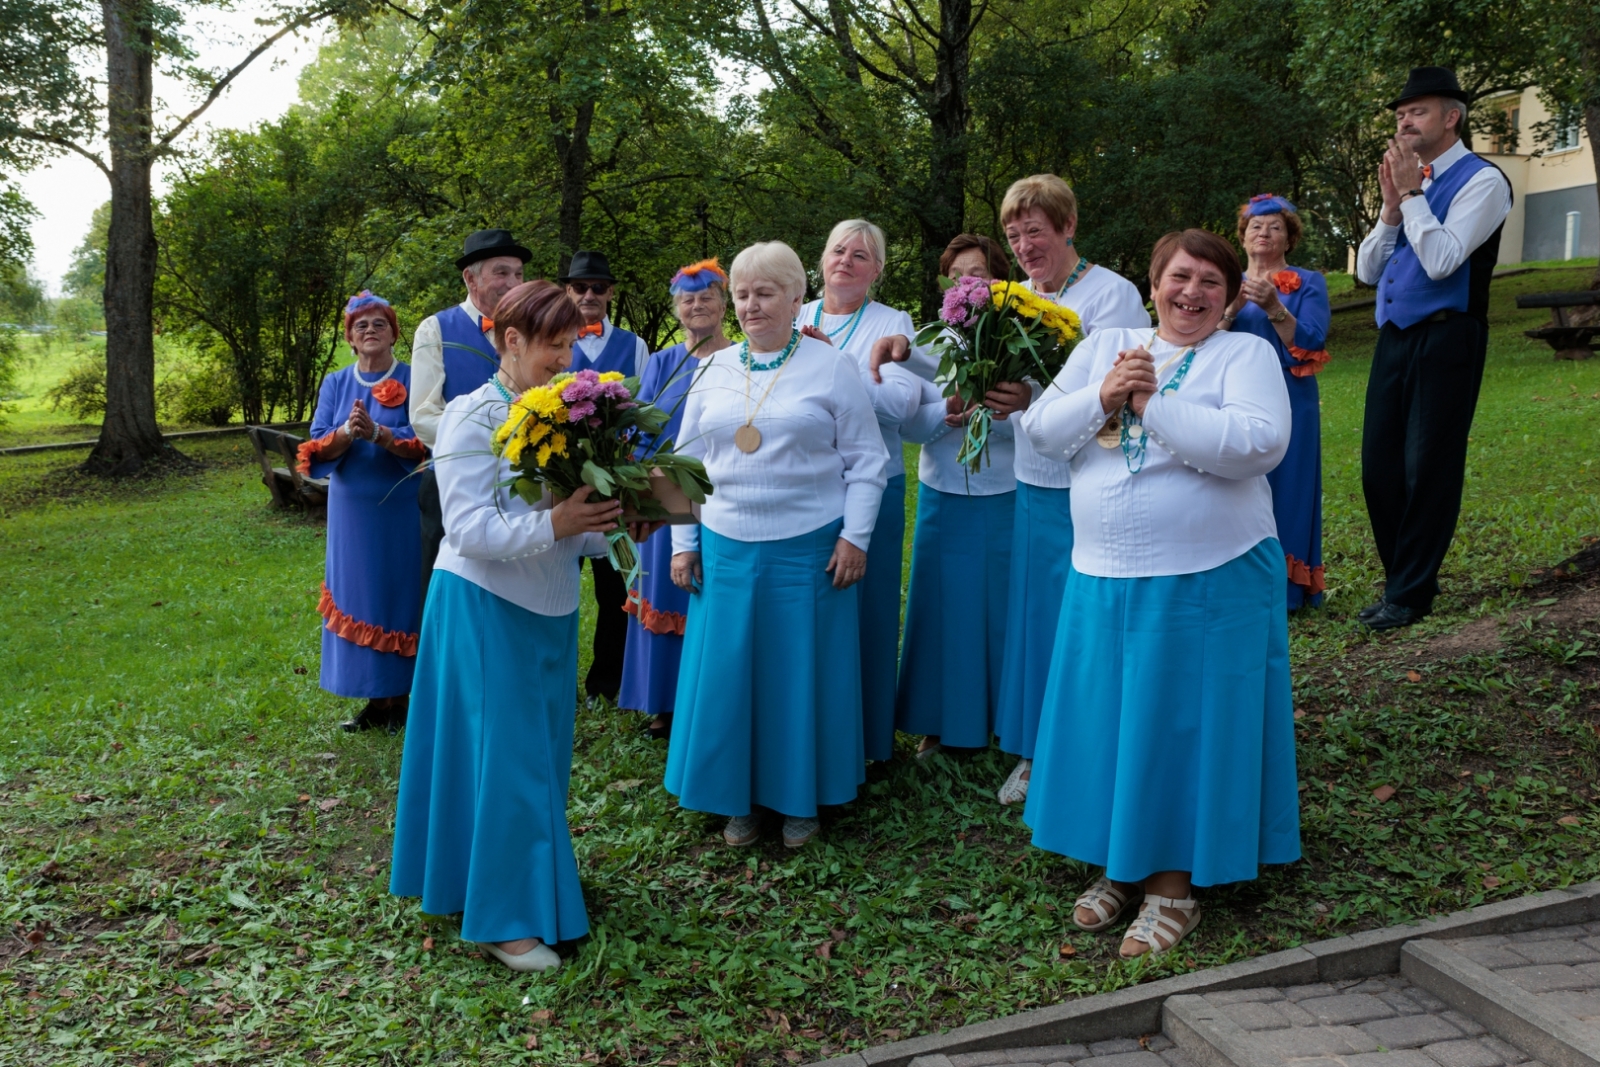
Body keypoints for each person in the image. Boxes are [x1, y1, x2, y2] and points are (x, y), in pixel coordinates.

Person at [1019, 229, 1299, 959]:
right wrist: (1104, 394)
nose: (1193, 292)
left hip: (1211, 575)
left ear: (1230, 295)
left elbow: (1258, 443)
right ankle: (1121, 865)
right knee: (1113, 725)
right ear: (1153, 283)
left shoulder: (1243, 352)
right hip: (1103, 573)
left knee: (1181, 727)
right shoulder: (1103, 345)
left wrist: (1149, 405)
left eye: (1213, 281)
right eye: (1181, 276)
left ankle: (1173, 888)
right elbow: (1044, 431)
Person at [390, 280, 659, 973]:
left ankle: (509, 881)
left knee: (537, 759)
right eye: (554, 345)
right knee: (504, 762)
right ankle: (501, 921)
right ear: (509, 341)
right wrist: (560, 521)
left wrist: (616, 522)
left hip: (549, 607)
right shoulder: (471, 417)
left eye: (572, 344)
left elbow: (570, 532)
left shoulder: (570, 415)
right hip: (482, 605)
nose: (568, 360)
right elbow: (471, 528)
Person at [666, 241, 890, 850]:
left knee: (799, 678)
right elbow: (686, 462)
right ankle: (738, 799)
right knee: (731, 676)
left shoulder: (832, 367)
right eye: (741, 294)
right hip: (725, 547)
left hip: (809, 550)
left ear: (797, 298)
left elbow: (868, 462)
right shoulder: (712, 368)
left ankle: (800, 801)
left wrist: (855, 536)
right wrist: (684, 544)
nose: (750, 305)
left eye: (765, 292)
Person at [1355, 66, 1513, 631]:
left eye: (1417, 111)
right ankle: (1404, 579)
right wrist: (1391, 210)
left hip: (1449, 335)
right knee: (1379, 468)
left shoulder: (1484, 181)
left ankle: (1412, 593)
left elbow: (1445, 259)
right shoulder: (1407, 185)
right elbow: (1368, 273)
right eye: (1400, 113)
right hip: (1395, 336)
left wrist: (1415, 194)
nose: (1404, 120)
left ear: (1452, 118)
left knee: (1429, 466)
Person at [798, 219, 940, 765]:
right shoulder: (796, 312)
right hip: (806, 487)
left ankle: (865, 741)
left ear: (877, 270)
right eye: (838, 250)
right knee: (814, 610)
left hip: (874, 483)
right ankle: (812, 730)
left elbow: (901, 407)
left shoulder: (892, 322)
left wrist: (833, 363)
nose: (846, 261)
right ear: (821, 258)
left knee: (867, 609)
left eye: (861, 255)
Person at [894, 235, 1018, 762]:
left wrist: (992, 414)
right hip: (944, 489)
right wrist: (947, 409)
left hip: (1005, 489)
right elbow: (911, 425)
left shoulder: (1023, 338)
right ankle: (938, 721)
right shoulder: (928, 343)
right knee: (942, 607)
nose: (974, 284)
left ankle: (1001, 717)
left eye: (983, 275)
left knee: (997, 608)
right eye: (962, 275)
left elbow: (1039, 423)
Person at [298, 292, 428, 734]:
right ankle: (376, 701)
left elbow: (429, 440)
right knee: (360, 595)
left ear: (394, 333)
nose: (369, 330)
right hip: (352, 510)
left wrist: (382, 434)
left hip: (400, 505)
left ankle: (403, 700)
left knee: (399, 592)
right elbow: (314, 443)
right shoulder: (336, 383)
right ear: (351, 340)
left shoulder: (415, 377)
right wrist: (347, 434)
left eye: (379, 323)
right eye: (360, 326)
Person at [618, 259, 732, 741]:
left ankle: (709, 696)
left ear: (724, 303)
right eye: (687, 298)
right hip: (665, 495)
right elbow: (642, 425)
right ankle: (663, 703)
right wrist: (639, 489)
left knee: (713, 593)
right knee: (665, 589)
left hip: (723, 493)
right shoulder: (663, 361)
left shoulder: (739, 358)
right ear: (676, 309)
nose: (697, 304)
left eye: (707, 295)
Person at [1222, 195, 1331, 610]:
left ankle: (1283, 591)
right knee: (1234, 483)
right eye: (1255, 226)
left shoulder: (1308, 282)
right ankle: (1238, 579)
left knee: (1289, 486)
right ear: (1243, 237)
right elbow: (1205, 340)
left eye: (1274, 226)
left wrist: (1273, 307)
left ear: (1289, 236)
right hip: (1234, 394)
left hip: (1290, 396)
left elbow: (1312, 342)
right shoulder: (1225, 280)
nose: (1263, 233)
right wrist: (1230, 310)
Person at [409, 229, 530, 599]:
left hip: (525, 483)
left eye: (518, 274)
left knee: (516, 584)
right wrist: (488, 441)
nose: (512, 283)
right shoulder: (436, 329)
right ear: (470, 278)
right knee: (448, 585)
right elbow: (423, 414)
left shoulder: (532, 330)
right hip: (452, 484)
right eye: (501, 272)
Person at [562, 249, 650, 703]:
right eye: (580, 287)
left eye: (599, 287)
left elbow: (645, 407)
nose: (589, 295)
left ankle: (608, 680)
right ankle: (556, 675)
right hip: (562, 478)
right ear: (567, 291)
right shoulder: (553, 341)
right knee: (556, 577)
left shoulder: (634, 346)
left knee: (615, 582)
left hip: (615, 475)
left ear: (611, 292)